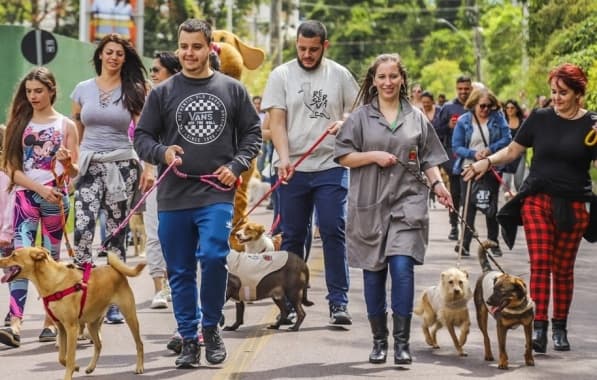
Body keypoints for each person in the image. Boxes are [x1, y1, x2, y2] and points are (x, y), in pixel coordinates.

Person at [134, 19, 261, 369]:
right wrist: (163, 153)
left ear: (209, 49)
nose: (189, 53)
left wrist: (235, 166)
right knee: (180, 269)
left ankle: (211, 327)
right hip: (174, 196)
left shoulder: (232, 90)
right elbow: (142, 137)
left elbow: (253, 134)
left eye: (196, 46)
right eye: (184, 46)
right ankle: (189, 337)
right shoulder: (162, 93)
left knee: (213, 255)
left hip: (215, 194)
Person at [463, 63, 597, 353]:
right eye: (553, 92)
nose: (557, 98)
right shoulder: (539, 118)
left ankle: (559, 328)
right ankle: (538, 328)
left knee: (563, 269)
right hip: (537, 199)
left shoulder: (593, 125)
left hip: (574, 204)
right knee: (541, 264)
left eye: (563, 93)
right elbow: (513, 151)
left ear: (578, 94)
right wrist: (484, 163)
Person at [335, 53, 452, 365]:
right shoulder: (359, 118)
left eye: (393, 76)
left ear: (402, 80)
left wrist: (438, 186)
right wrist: (373, 155)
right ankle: (379, 342)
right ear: (374, 81)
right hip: (370, 205)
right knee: (374, 275)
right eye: (382, 77)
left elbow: (428, 158)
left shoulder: (416, 117)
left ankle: (402, 344)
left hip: (407, 203)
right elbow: (344, 156)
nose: (388, 82)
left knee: (401, 270)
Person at [261, 20, 357, 325]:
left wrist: (344, 122)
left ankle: (338, 302)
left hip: (331, 165)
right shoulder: (282, 75)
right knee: (292, 236)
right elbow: (276, 122)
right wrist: (285, 159)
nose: (307, 54)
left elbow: (357, 111)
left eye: (313, 50)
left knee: (332, 229)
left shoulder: (340, 74)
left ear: (324, 46)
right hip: (293, 167)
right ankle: (290, 302)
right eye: (302, 48)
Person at [71, 33, 150, 324]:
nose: (114, 57)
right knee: (82, 228)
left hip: (122, 167)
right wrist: (71, 166)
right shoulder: (82, 90)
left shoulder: (134, 90)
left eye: (119, 53)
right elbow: (77, 133)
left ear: (124, 58)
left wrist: (149, 166)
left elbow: (143, 133)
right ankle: (82, 294)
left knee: (116, 233)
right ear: (101, 55)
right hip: (90, 166)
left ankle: (114, 299)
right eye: (109, 52)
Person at [0, 67, 79, 348]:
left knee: (50, 260)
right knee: (18, 260)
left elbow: (74, 171)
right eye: (29, 91)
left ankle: (50, 321)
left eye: (38, 91)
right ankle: (15, 322)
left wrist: (68, 164)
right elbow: (10, 168)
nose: (33, 96)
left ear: (51, 91)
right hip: (26, 197)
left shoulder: (66, 125)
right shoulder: (19, 124)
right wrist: (39, 189)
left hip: (57, 202)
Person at [143, 51, 181, 310]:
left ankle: (181, 283)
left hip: (186, 176)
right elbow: (145, 138)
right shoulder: (150, 100)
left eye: (157, 70)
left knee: (181, 235)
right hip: (155, 172)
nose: (153, 74)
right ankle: (159, 287)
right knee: (154, 230)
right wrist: (147, 169)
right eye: (152, 70)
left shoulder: (185, 97)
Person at [451, 87, 511, 257]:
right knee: (468, 207)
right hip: (468, 168)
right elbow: (456, 147)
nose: (485, 109)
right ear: (474, 105)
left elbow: (507, 139)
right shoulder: (464, 121)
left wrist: (490, 150)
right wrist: (473, 153)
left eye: (489, 106)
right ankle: (465, 243)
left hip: (490, 167)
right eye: (482, 106)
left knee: (490, 207)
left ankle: (493, 243)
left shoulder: (498, 119)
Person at [437, 76, 473, 241]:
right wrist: (448, 126)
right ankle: (454, 226)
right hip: (453, 158)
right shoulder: (448, 108)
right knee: (456, 194)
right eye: (461, 89)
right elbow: (436, 130)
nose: (464, 92)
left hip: (473, 157)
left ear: (471, 88)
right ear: (456, 89)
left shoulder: (477, 106)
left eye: (466, 88)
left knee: (470, 197)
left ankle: (468, 227)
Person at [502, 99, 526, 196]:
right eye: (507, 108)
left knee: (518, 182)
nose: (510, 110)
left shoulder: (523, 122)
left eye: (512, 108)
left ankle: (519, 201)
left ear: (516, 109)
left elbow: (528, 137)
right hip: (506, 154)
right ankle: (508, 203)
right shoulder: (502, 121)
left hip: (520, 154)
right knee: (505, 183)